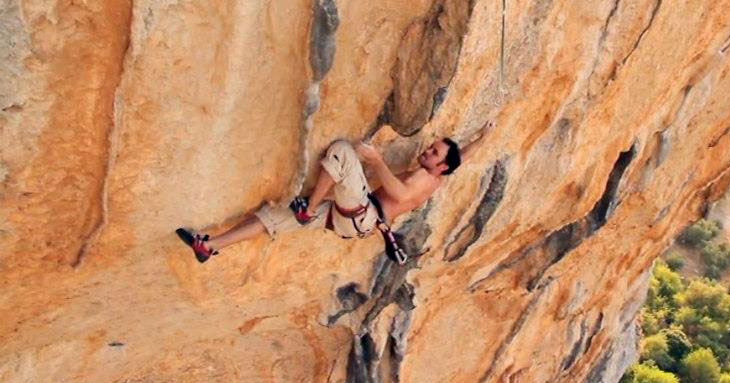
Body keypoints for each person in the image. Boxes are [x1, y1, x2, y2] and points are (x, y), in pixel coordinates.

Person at [176, 122, 493, 263]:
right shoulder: (442, 173)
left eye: (434, 153)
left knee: (342, 152)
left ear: (440, 167)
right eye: (432, 148)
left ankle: (307, 208)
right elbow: (459, 159)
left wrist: (377, 160)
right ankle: (208, 247)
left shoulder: (425, 179)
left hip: (365, 214)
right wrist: (480, 139)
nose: (427, 152)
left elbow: (398, 192)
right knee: (271, 218)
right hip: (355, 218)